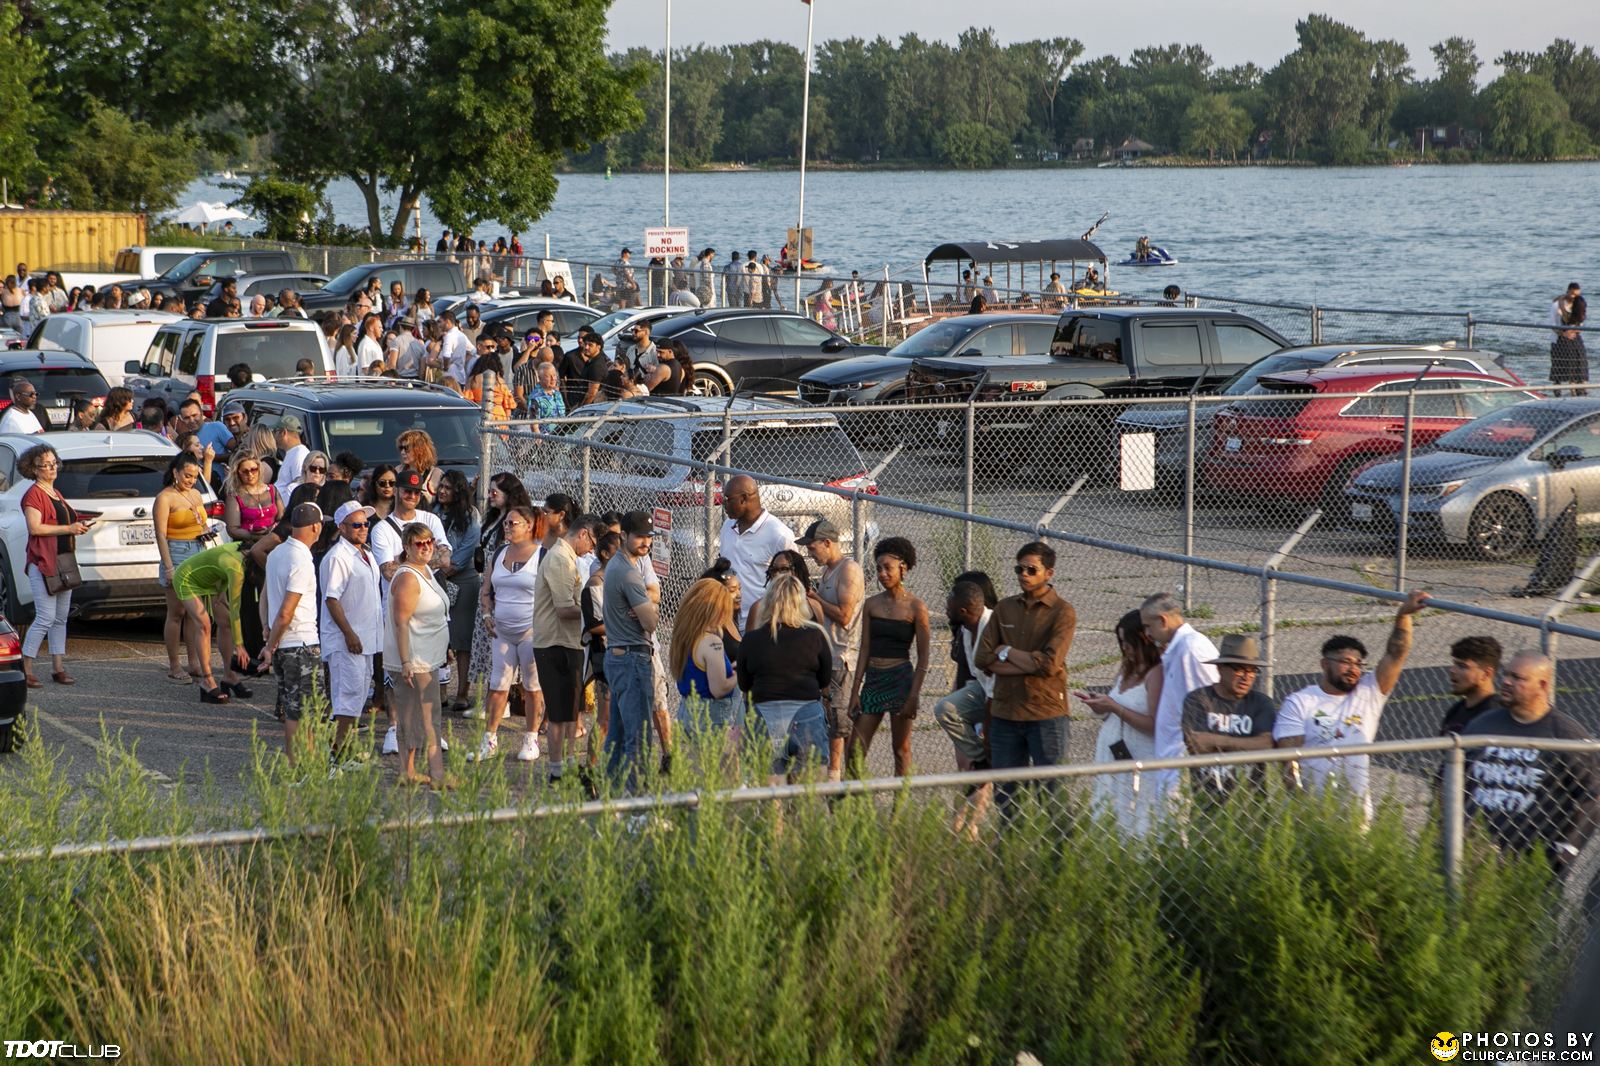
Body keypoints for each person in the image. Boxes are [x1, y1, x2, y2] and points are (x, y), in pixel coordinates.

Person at [1273, 591, 1429, 819]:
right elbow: (1288, 760)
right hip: (1308, 812)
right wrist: (1301, 808)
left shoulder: (1369, 692)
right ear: (1325, 665)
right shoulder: (1300, 702)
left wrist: (1403, 615)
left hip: (1355, 815)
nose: (1354, 669)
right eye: (1345, 662)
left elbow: (1396, 654)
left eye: (1358, 663)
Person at [1462, 651, 1600, 877]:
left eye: (1518, 678)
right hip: (1475, 854)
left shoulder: (1565, 735)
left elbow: (1593, 797)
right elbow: (1457, 779)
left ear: (1542, 685)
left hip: (1533, 863)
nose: (1506, 681)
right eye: (1507, 674)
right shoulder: (1481, 726)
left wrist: (1567, 849)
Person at [974, 542, 1076, 811]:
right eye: (1019, 568)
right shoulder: (1005, 609)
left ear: (1049, 573)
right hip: (1005, 714)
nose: (1024, 575)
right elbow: (983, 659)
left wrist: (1005, 651)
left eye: (1032, 569)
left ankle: (1057, 852)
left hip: (1046, 713)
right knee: (1006, 797)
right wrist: (1029, 661)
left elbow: (1049, 665)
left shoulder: (1062, 612)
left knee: (1051, 795)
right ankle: (1009, 851)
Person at [1072, 610, 1165, 833]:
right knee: (1108, 818)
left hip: (1139, 760)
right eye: (1121, 642)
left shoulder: (1156, 674)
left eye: (1129, 642)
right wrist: (1100, 705)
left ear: (1145, 640)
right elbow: (1113, 707)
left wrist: (1114, 707)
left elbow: (1155, 725)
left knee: (1137, 821)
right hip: (1111, 758)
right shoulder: (1126, 670)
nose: (1125, 649)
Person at [844, 537, 930, 778]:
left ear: (903, 568)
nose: (882, 574)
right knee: (855, 750)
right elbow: (865, 648)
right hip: (874, 680)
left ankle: (899, 811)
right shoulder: (871, 605)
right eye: (879, 568)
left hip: (901, 680)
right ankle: (857, 805)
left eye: (887, 568)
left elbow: (924, 657)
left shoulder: (916, 607)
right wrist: (855, 693)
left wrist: (913, 696)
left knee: (901, 751)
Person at [737, 574, 832, 784]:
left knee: (771, 800)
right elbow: (824, 679)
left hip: (765, 715)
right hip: (807, 713)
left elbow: (744, 684)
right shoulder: (815, 635)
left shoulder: (752, 639)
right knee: (812, 798)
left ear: (768, 601)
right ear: (801, 602)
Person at [469, 504, 544, 762]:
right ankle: (489, 740)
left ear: (530, 525)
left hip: (531, 631)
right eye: (506, 523)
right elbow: (486, 589)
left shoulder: (542, 555)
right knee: (498, 684)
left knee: (532, 686)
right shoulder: (499, 552)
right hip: (502, 630)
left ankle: (531, 738)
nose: (507, 527)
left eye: (513, 523)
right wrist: (487, 614)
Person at [384, 521, 452, 788]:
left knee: (414, 717)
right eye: (419, 544)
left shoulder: (423, 571)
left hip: (427, 656)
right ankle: (436, 775)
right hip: (415, 660)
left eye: (429, 542)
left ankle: (408, 770)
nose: (426, 548)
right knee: (426, 718)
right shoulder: (409, 577)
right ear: (406, 547)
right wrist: (405, 662)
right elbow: (401, 622)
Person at [534, 512, 598, 783]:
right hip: (555, 642)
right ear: (582, 533)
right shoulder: (561, 559)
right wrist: (596, 616)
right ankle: (557, 769)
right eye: (592, 542)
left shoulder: (569, 558)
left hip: (568, 642)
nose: (592, 549)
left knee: (572, 709)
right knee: (559, 713)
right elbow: (563, 609)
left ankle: (569, 763)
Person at [19, 444, 90, 687]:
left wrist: (78, 525)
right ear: (34, 469)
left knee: (60, 618)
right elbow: (35, 528)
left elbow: (62, 520)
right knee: (45, 617)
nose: (52, 468)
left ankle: (58, 667)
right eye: (45, 465)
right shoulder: (33, 494)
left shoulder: (54, 492)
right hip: (43, 563)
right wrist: (68, 528)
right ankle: (25, 666)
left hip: (63, 561)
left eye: (53, 463)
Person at [1140, 591, 1219, 803]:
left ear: (1162, 621)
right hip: (1173, 759)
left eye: (1148, 626)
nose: (1147, 633)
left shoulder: (1192, 649)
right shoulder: (1179, 649)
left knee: (1178, 826)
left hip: (1185, 761)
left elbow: (1207, 707)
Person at [799, 519, 863, 781]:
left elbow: (845, 615)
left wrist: (815, 599)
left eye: (813, 548)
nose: (810, 553)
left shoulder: (848, 570)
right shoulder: (828, 572)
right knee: (828, 721)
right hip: (828, 658)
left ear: (828, 543)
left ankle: (835, 782)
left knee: (839, 725)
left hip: (843, 658)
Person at [261, 503, 326, 763]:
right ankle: (298, 766)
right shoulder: (301, 560)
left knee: (295, 710)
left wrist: (267, 629)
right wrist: (271, 644)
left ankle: (305, 762)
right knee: (303, 713)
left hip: (283, 642)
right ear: (315, 526)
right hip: (300, 644)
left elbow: (265, 595)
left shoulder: (277, 553)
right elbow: (287, 611)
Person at [320, 501, 382, 765]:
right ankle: (337, 753)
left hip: (366, 639)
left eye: (366, 523)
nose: (363, 528)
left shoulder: (365, 554)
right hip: (348, 641)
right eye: (356, 524)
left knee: (356, 697)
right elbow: (331, 599)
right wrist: (349, 633)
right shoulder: (337, 557)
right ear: (342, 527)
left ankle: (344, 749)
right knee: (346, 698)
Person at [1181, 634, 1277, 801]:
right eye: (1239, 668)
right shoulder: (1198, 699)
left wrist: (1218, 742)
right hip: (1207, 800)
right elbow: (1196, 744)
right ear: (1220, 668)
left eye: (1252, 670)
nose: (1247, 677)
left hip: (1251, 801)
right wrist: (1247, 745)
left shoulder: (1261, 703)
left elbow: (1267, 744)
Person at [602, 510, 659, 789]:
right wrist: (651, 605)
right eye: (639, 536)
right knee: (640, 736)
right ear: (623, 536)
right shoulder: (628, 573)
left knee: (618, 732)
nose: (646, 542)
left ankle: (610, 797)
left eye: (649, 537)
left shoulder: (619, 566)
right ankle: (639, 804)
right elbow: (650, 622)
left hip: (619, 656)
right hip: (632, 657)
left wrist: (646, 603)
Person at [155, 454, 213, 685]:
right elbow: (160, 534)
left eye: (195, 476)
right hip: (176, 552)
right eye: (187, 475)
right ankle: (174, 665)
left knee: (193, 612)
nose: (191, 480)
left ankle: (194, 662)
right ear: (175, 472)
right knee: (177, 612)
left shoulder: (195, 494)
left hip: (197, 550)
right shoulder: (164, 498)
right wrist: (169, 567)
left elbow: (201, 522)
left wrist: (206, 530)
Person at [170, 541, 252, 704]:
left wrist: (221, 591)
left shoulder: (245, 552)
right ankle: (207, 681)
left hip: (211, 581)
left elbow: (218, 567)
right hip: (187, 578)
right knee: (204, 625)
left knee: (226, 622)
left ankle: (229, 675)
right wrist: (239, 646)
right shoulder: (236, 566)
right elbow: (237, 609)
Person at [222, 451, 281, 668]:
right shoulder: (235, 495)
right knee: (250, 605)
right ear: (238, 472)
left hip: (273, 550)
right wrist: (254, 534)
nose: (250, 474)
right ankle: (251, 654)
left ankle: (273, 651)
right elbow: (233, 528)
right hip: (247, 554)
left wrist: (272, 531)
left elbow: (282, 518)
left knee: (275, 600)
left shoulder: (272, 491)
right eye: (244, 471)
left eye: (253, 469)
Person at [716, 474, 797, 629]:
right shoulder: (728, 526)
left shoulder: (779, 534)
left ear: (744, 499)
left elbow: (794, 583)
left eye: (728, 499)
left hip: (761, 625)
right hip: (728, 621)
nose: (723, 504)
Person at [670, 578, 743, 745]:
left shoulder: (686, 637)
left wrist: (729, 669)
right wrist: (739, 674)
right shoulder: (712, 642)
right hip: (710, 718)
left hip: (687, 712)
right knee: (722, 767)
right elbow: (719, 689)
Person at [430, 470, 480, 712]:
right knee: (440, 637)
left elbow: (464, 553)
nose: (442, 491)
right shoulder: (434, 514)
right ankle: (439, 692)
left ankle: (462, 692)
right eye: (441, 487)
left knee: (462, 640)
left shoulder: (471, 516)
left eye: (448, 488)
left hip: (464, 581)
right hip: (435, 579)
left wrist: (440, 570)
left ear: (458, 491)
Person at [1440, 636, 1503, 735]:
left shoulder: (1496, 715)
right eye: (1454, 664)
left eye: (1462, 666)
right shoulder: (1456, 710)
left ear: (1486, 674)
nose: (1452, 670)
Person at [1550, 282, 1588, 386]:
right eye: (1572, 294)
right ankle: (1557, 389)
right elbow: (1552, 324)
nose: (1574, 297)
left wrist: (1572, 331)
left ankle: (1580, 389)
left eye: (1576, 295)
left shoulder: (1579, 304)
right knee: (1559, 367)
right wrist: (1563, 333)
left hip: (1575, 337)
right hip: (1558, 339)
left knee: (1580, 365)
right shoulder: (1556, 305)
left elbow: (1581, 324)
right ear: (1568, 291)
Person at [560, 329, 609, 411]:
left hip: (590, 410)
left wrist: (580, 411)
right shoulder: (592, 361)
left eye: (590, 345)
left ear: (598, 347)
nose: (586, 347)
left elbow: (592, 394)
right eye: (585, 344)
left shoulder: (596, 365)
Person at [395, 429, 445, 504]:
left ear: (420, 450)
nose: (402, 452)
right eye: (401, 448)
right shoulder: (398, 471)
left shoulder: (436, 474)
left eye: (406, 448)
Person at [271, 416, 308, 496]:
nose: (273, 435)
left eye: (274, 431)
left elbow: (299, 487)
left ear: (283, 432)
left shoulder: (299, 455)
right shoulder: (292, 453)